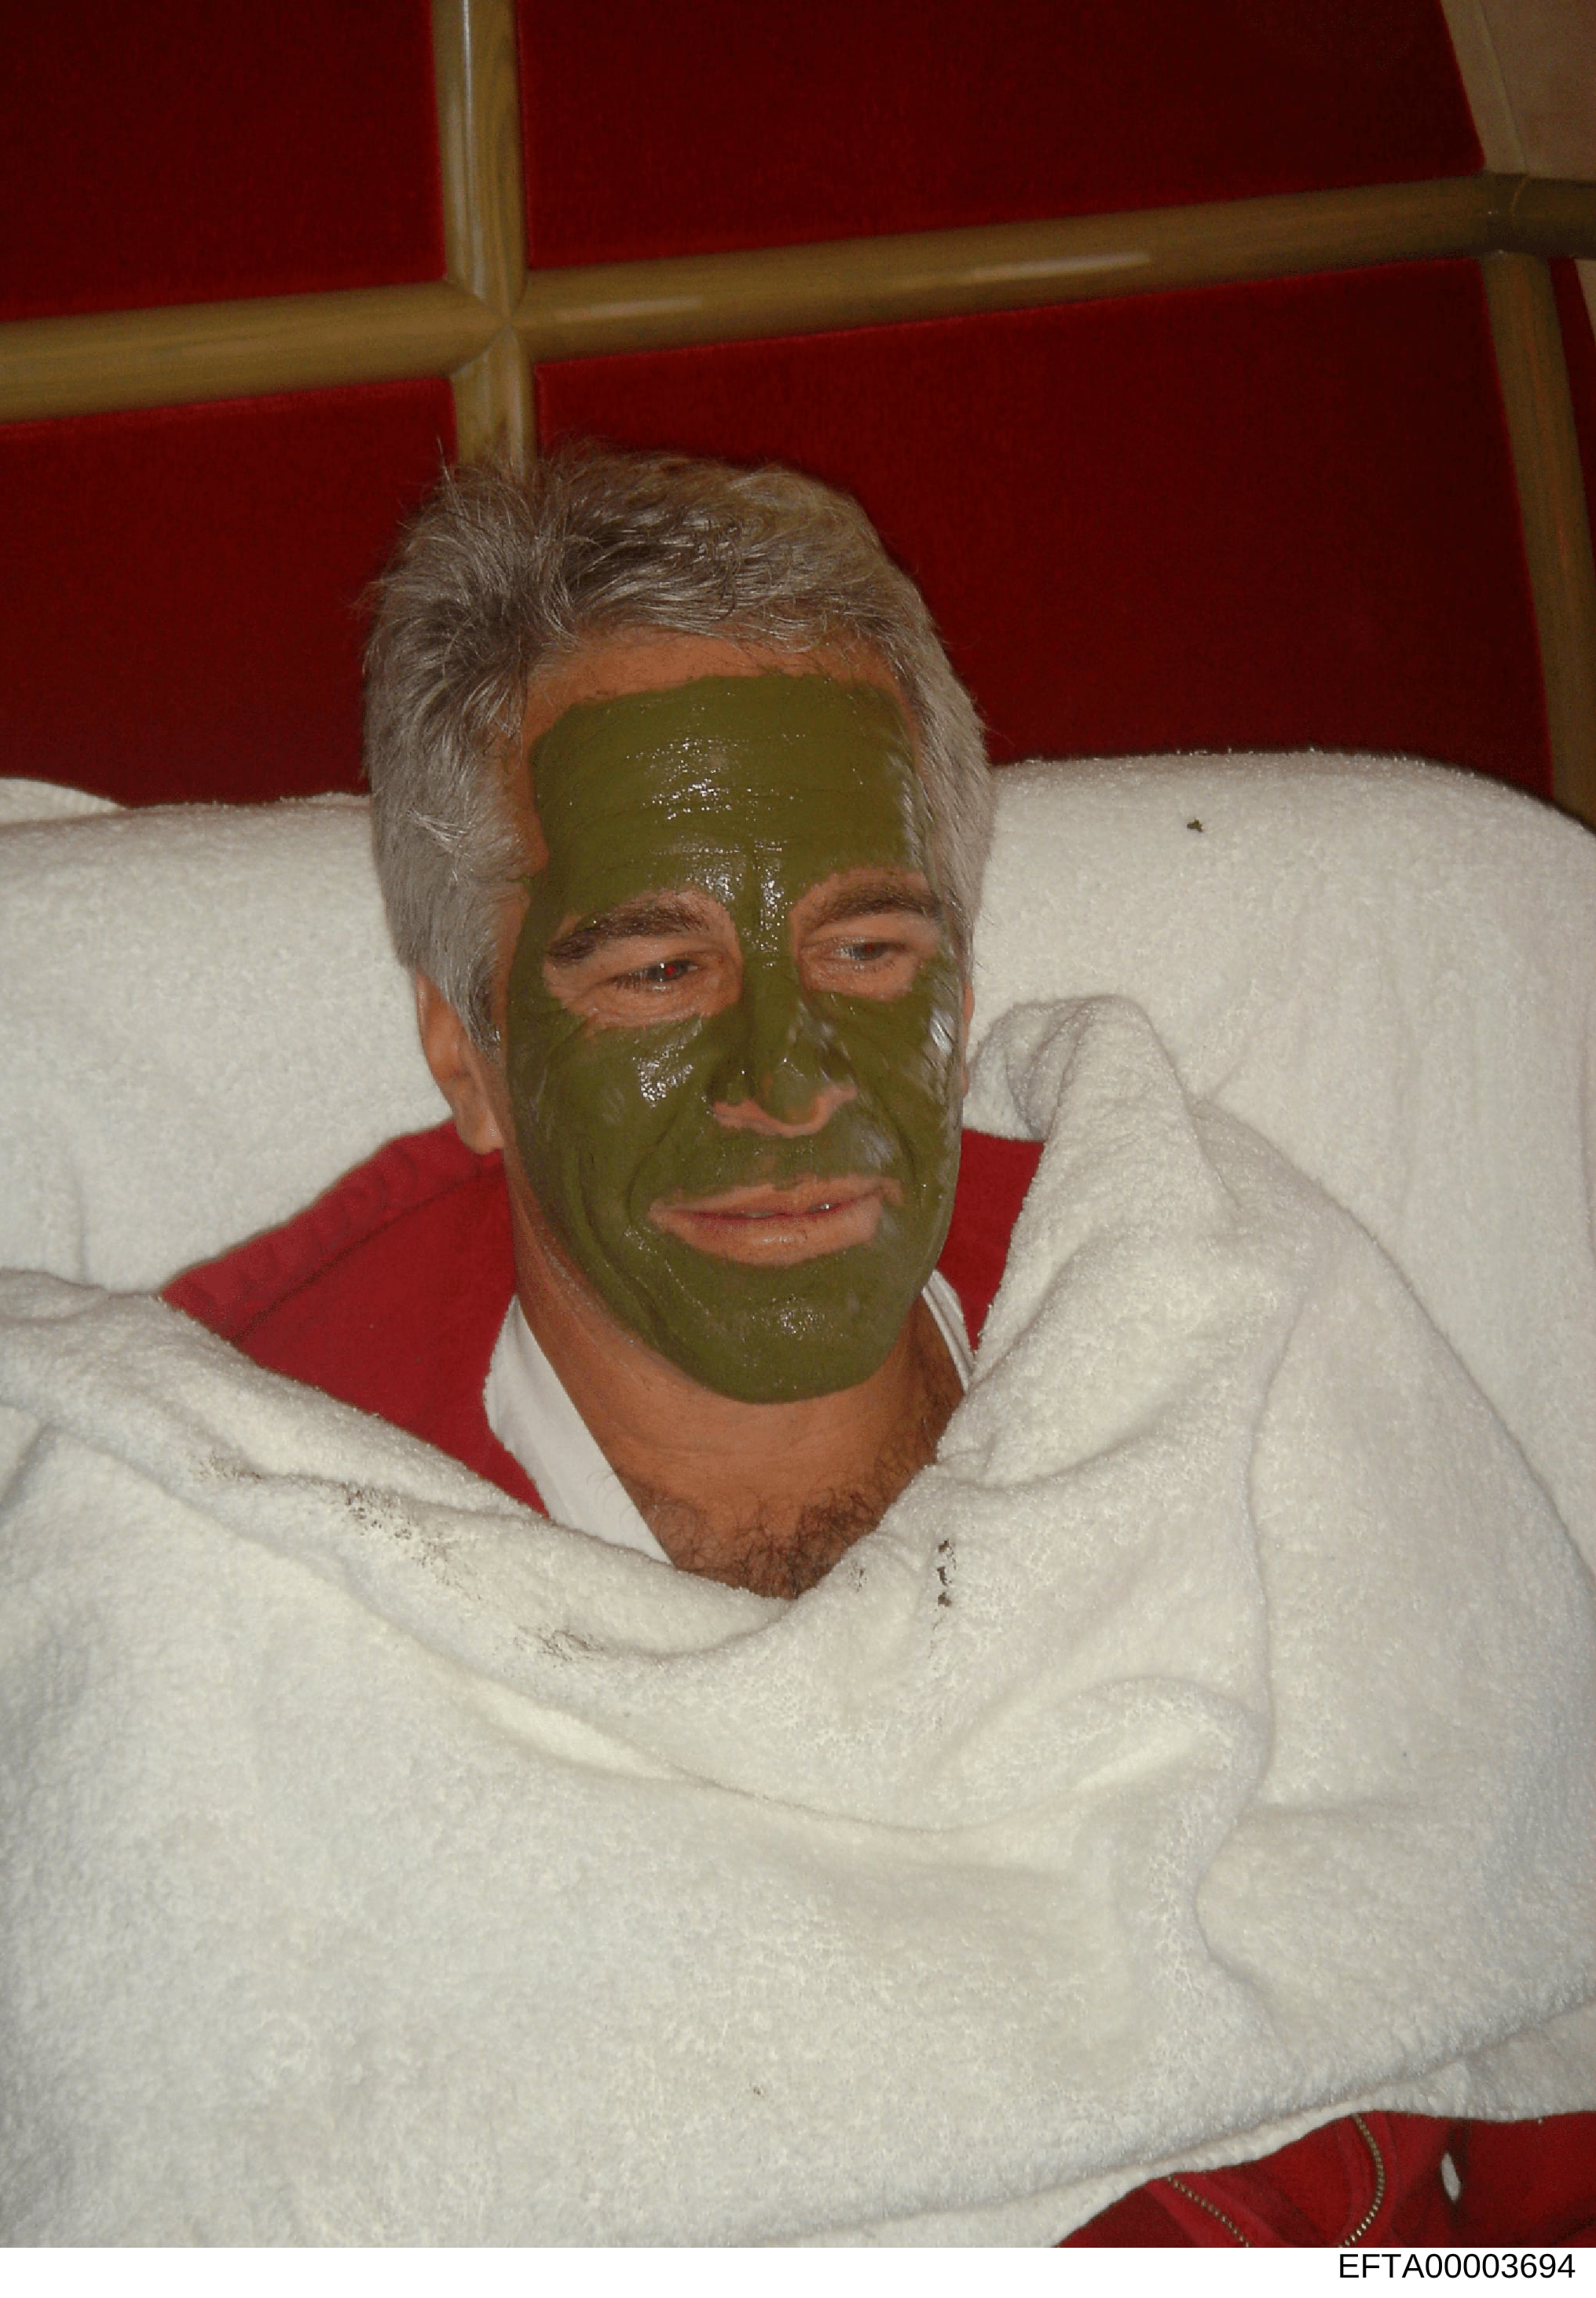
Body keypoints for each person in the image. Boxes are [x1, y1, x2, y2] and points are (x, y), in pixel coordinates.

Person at [166, 449, 1594, 2246]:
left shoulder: (1229, 1344)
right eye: (656, 972)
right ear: (466, 1052)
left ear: (960, 990)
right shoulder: (230, 1545)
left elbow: (1553, 2083)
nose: (787, 1082)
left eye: (863, 942)